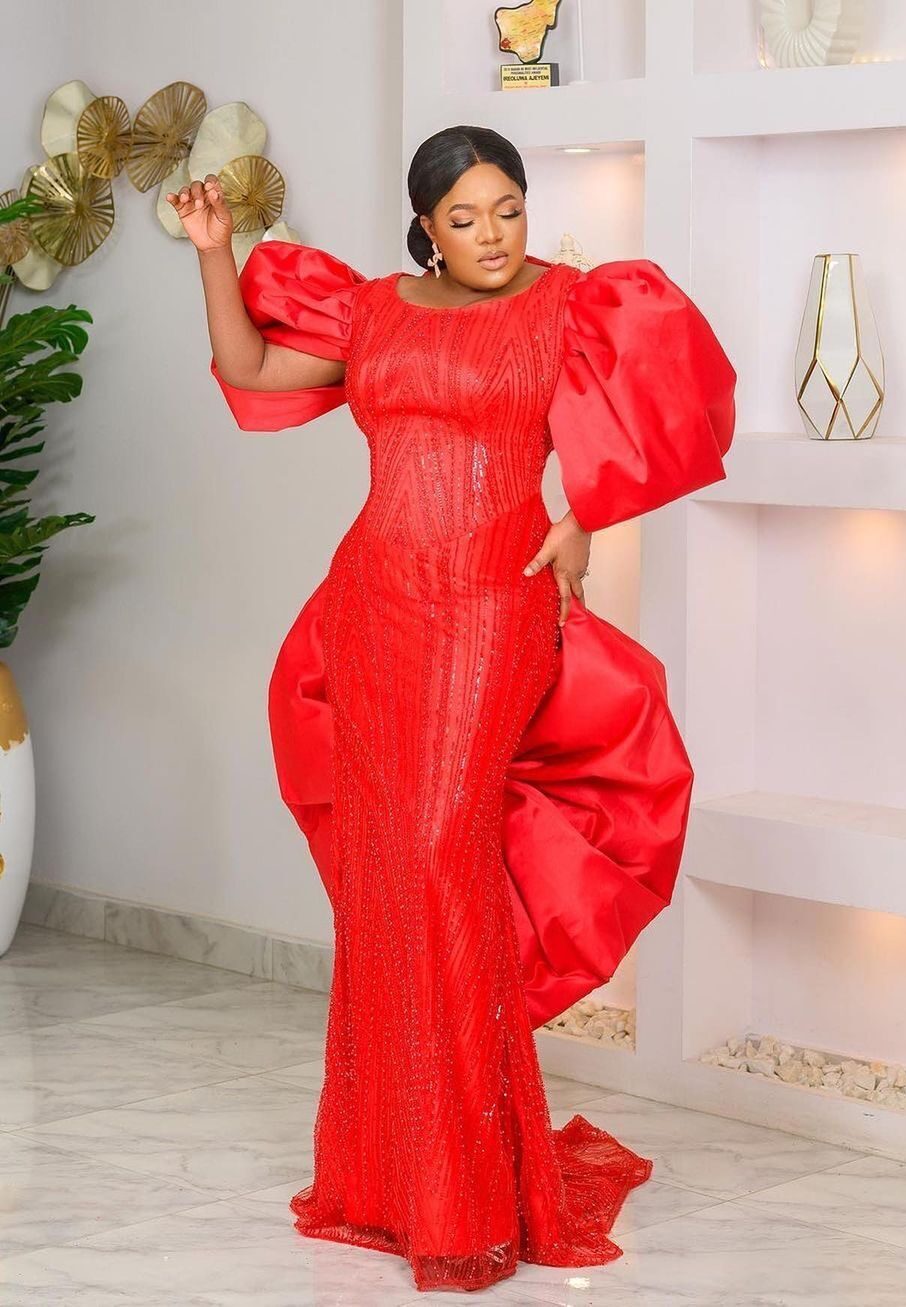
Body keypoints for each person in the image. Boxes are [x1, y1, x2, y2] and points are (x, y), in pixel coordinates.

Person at [168, 123, 736, 1294]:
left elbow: (674, 413)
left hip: (493, 607)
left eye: (509, 209)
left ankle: (473, 1188)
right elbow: (254, 371)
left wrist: (583, 518)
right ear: (425, 225)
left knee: (442, 858)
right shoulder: (373, 310)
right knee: (390, 881)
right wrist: (214, 253)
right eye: (465, 218)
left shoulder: (572, 304)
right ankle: (393, 1177)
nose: (493, 235)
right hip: (374, 606)